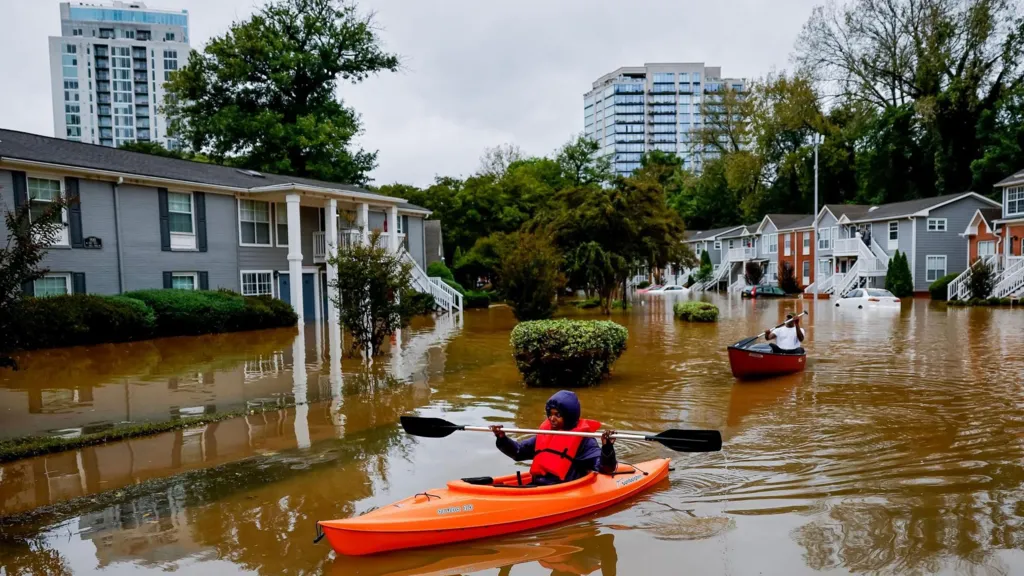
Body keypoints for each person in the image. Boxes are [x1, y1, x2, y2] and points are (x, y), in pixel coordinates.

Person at [491, 390, 617, 485]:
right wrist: (502, 438)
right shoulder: (546, 434)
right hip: (538, 486)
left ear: (569, 416)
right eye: (550, 414)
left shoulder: (583, 440)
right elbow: (518, 452)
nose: (552, 418)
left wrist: (607, 448)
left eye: (558, 415)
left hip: (563, 489)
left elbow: (605, 468)